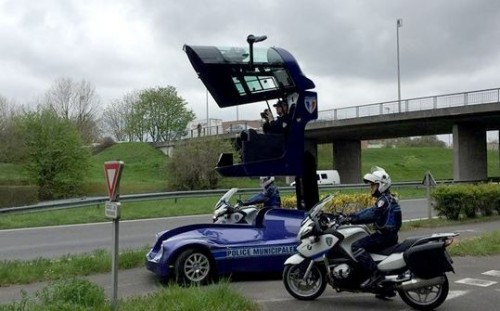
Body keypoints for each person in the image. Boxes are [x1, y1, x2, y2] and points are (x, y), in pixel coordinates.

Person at [348, 166, 402, 291]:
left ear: (382, 184)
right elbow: (370, 210)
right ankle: (385, 290)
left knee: (356, 246)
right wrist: (352, 215)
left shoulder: (384, 200)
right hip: (390, 235)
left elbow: (372, 214)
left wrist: (353, 219)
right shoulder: (387, 198)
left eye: (373, 185)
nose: (371, 188)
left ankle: (375, 274)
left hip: (384, 236)